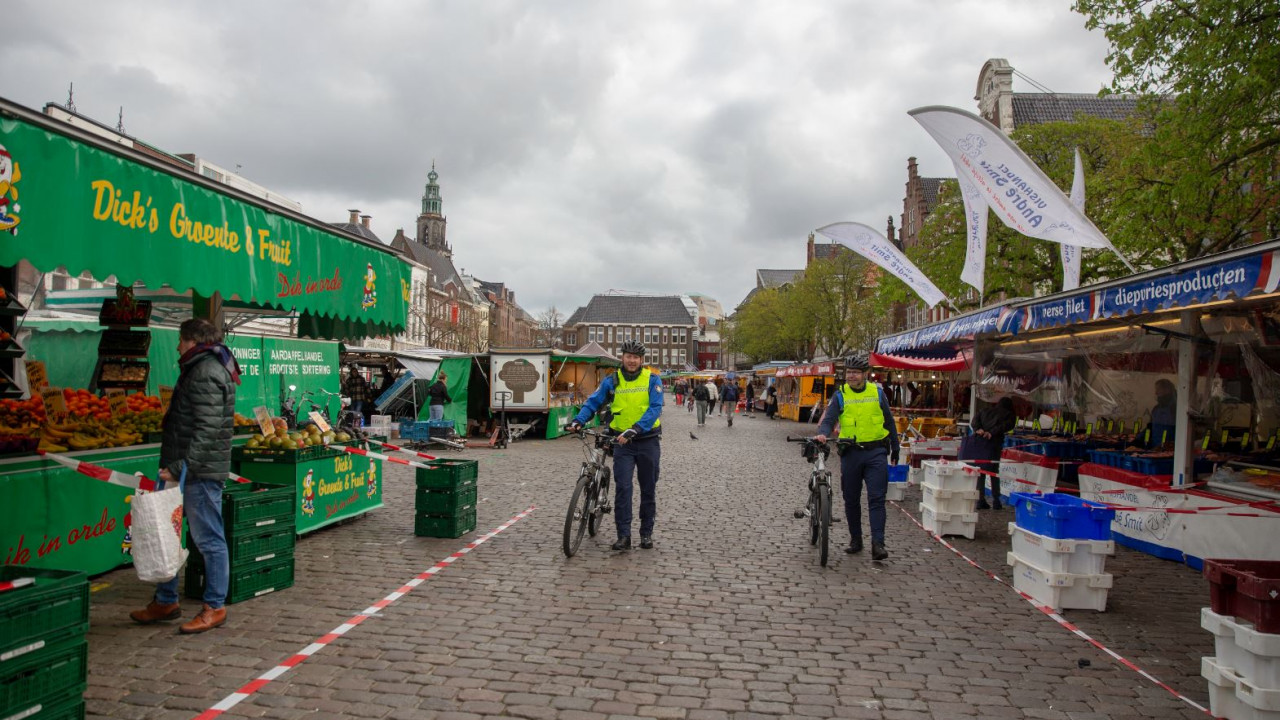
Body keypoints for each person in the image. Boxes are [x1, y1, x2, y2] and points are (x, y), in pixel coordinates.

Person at [130, 318, 238, 634]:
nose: (177, 346)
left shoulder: (205, 372)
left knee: (208, 539)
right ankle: (166, 600)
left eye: (180, 340)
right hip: (188, 467)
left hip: (197, 471)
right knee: (168, 534)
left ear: (193, 341)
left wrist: (180, 466)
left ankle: (215, 606)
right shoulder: (203, 367)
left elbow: (207, 430)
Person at [565, 340, 664, 551]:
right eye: (628, 356)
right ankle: (624, 536)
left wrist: (636, 428)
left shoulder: (652, 379)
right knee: (623, 489)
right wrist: (578, 421)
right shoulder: (613, 380)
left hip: (647, 441)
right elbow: (593, 401)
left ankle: (646, 534)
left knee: (648, 489)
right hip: (621, 443)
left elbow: (655, 408)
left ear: (641, 360)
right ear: (622, 357)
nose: (632, 360)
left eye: (636, 357)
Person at [814, 354, 900, 562]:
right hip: (851, 453)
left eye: (855, 373)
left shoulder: (877, 393)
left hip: (876, 452)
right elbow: (829, 419)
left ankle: (878, 544)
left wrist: (895, 446)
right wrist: (823, 433)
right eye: (849, 373)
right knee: (851, 499)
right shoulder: (840, 395)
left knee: (877, 498)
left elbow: (888, 421)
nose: (851, 376)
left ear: (865, 375)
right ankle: (856, 539)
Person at [959, 396, 1017, 510]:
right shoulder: (1009, 415)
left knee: (980, 471)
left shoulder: (985, 410)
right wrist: (991, 432)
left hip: (980, 443)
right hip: (994, 445)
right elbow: (1006, 426)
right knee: (994, 472)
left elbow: (974, 421)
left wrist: (978, 429)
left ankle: (981, 500)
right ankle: (996, 500)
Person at [1149, 378, 1177, 448]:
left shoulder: (1176, 408)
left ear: (1167, 390)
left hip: (1171, 450)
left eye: (1158, 389)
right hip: (1155, 448)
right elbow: (1150, 427)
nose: (1156, 392)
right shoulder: (1156, 409)